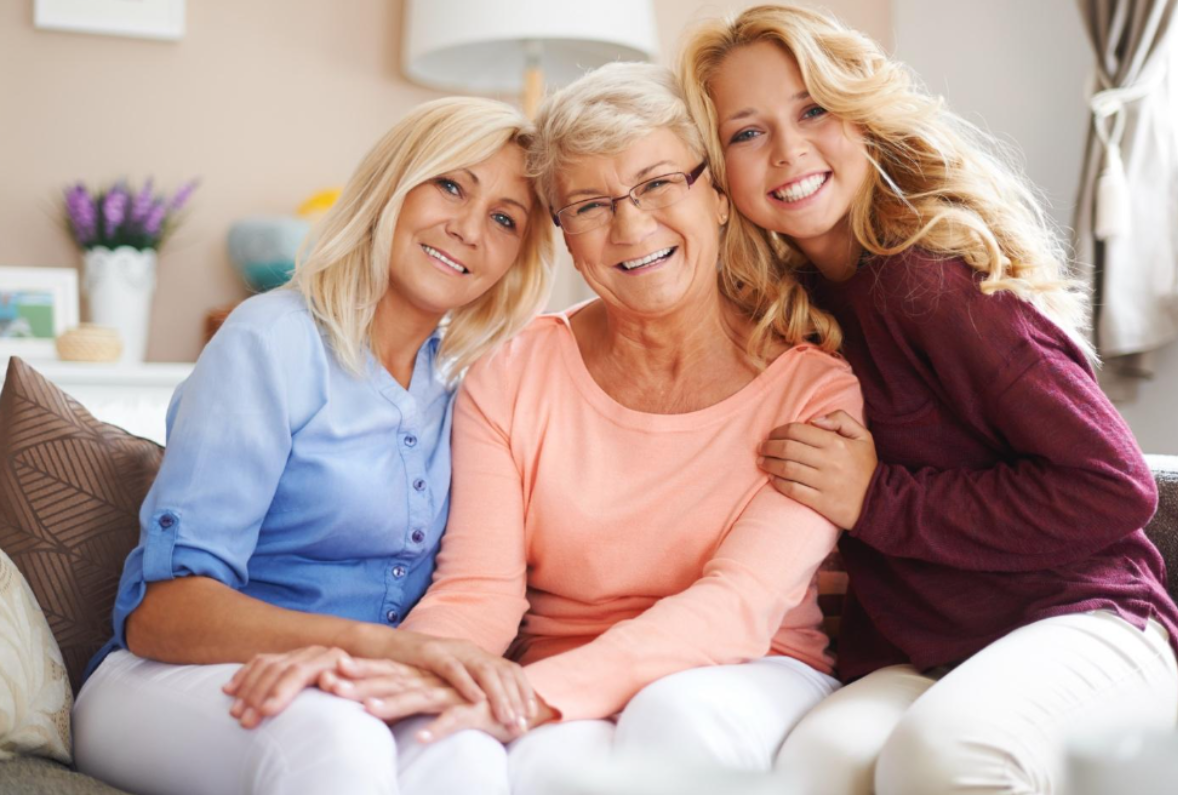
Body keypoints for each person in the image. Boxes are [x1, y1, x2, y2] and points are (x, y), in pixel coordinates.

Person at [679, 4, 1178, 793]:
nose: (788, 149)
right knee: (813, 764)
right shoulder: (793, 310)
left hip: (1085, 623)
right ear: (717, 173)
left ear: (860, 118)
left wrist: (878, 498)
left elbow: (1114, 486)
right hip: (927, 652)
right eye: (746, 132)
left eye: (812, 109)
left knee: (945, 755)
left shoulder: (931, 282)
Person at [318, 62, 864, 792]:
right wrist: (400, 679)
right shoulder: (510, 373)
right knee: (500, 761)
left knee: (674, 721)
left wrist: (535, 694)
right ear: (566, 238)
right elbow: (479, 592)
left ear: (720, 198)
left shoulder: (814, 390)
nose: (631, 226)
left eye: (659, 183)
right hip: (555, 681)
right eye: (591, 205)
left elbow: (734, 608)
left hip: (749, 674)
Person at [70, 96, 555, 794]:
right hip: (169, 680)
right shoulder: (269, 339)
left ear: (517, 257)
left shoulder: (471, 388)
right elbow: (161, 615)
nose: (470, 229)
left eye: (506, 219)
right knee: (337, 740)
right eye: (451, 184)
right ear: (392, 184)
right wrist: (356, 648)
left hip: (350, 683)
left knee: (468, 751)